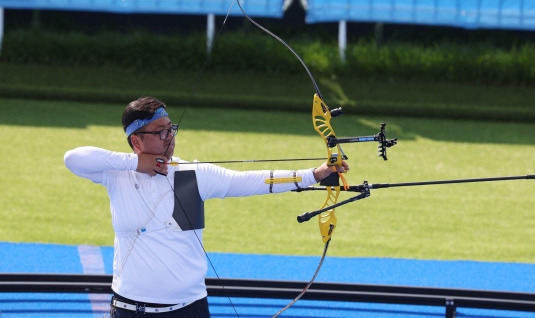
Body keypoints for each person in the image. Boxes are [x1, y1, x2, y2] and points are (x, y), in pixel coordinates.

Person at [63, 96, 348, 317]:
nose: (170, 138)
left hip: (188, 310)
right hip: (129, 310)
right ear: (136, 140)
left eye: (171, 129)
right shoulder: (118, 175)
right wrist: (136, 163)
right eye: (160, 132)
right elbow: (73, 158)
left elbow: (252, 181)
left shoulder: (190, 175)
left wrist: (315, 173)